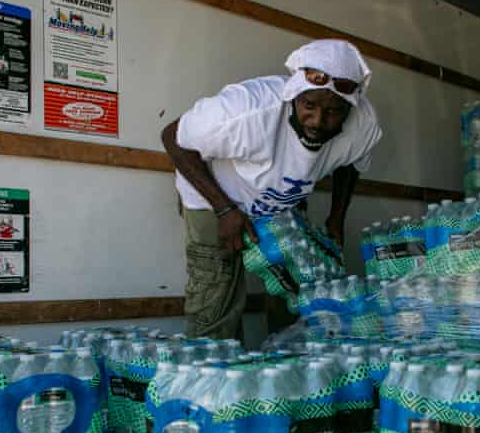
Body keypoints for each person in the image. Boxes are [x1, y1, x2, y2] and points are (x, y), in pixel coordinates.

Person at [161, 39, 382, 339]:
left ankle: (283, 364)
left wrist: (336, 216)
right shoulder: (247, 109)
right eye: (309, 106)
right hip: (214, 195)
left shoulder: (363, 123)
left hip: (281, 201)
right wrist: (224, 209)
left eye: (333, 112)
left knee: (295, 292)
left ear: (350, 107)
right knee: (216, 296)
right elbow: (173, 137)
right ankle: (216, 374)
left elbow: (352, 162)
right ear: (294, 94)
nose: (317, 121)